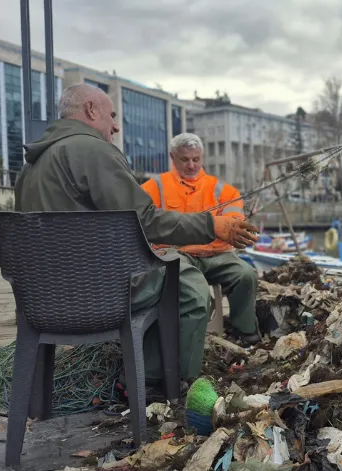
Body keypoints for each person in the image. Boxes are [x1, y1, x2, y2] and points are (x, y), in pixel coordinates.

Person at [14, 83, 259, 387]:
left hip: (43, 302)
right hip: (100, 297)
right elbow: (144, 220)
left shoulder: (29, 167)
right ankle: (161, 381)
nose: (116, 126)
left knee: (177, 273)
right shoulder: (95, 152)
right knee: (190, 286)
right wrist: (212, 225)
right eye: (112, 115)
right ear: (91, 110)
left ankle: (142, 372)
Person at [141, 133, 260, 344]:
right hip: (177, 254)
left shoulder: (223, 190)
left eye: (196, 159)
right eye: (185, 159)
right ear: (172, 157)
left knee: (246, 274)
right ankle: (188, 340)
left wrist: (234, 225)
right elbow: (140, 216)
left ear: (202, 157)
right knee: (195, 290)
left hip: (216, 255)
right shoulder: (155, 186)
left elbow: (235, 219)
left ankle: (246, 331)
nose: (191, 165)